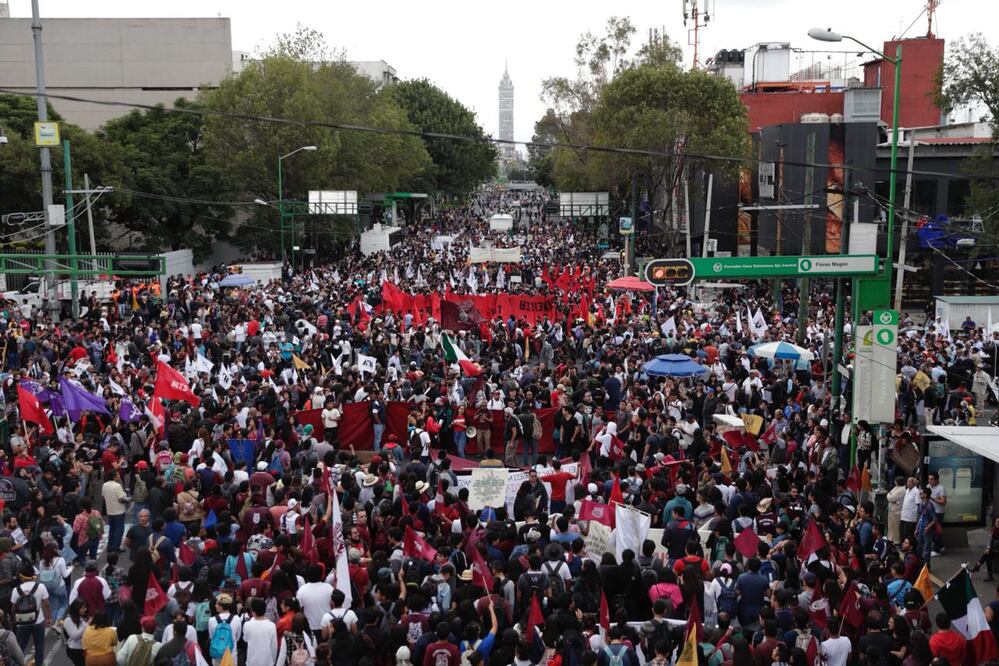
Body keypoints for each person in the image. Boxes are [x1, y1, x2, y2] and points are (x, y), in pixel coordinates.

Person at [12, 562, 50, 666]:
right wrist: (48, 618)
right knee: (39, 645)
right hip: (38, 621)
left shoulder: (16, 590)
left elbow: (13, 607)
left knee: (20, 647)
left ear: (21, 576)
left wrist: (14, 620)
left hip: (22, 622)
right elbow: (46, 604)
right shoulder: (41, 587)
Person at [242, 598, 277, 666]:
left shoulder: (247, 625)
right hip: (267, 661)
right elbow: (274, 646)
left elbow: (245, 639)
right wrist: (273, 661)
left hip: (251, 661)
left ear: (253, 611)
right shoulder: (272, 626)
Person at [65, 600, 90, 666]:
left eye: (85, 608)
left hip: (83, 648)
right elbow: (74, 636)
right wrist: (86, 625)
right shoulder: (68, 620)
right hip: (75, 650)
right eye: (82, 608)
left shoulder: (81, 617)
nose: (85, 609)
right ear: (76, 609)